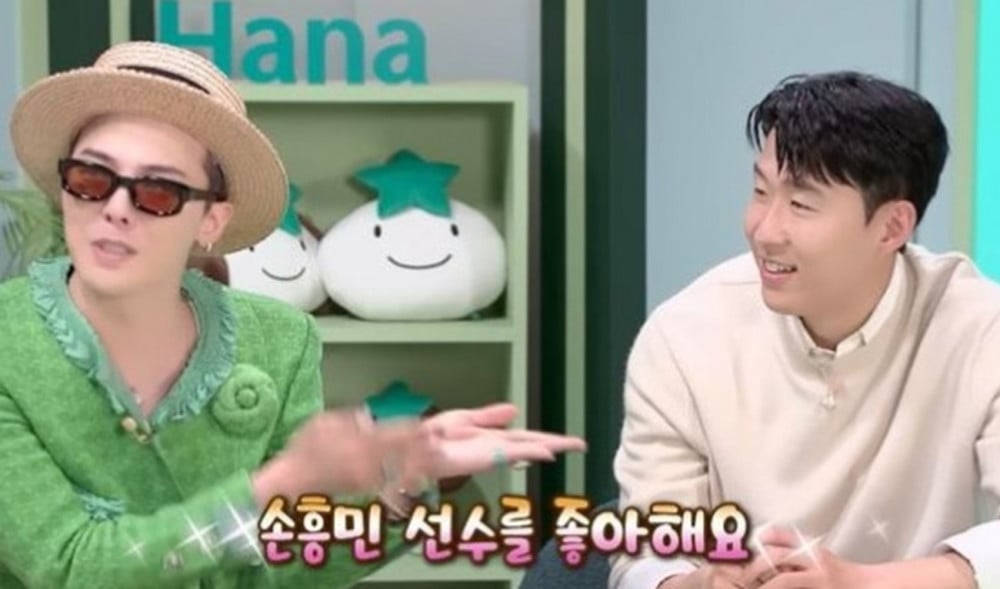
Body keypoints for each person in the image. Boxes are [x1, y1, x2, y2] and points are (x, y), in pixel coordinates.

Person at [0, 41, 586, 589]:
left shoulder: (280, 339)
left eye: (158, 191)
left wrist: (402, 488)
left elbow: (288, 563)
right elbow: (70, 567)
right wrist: (277, 484)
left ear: (211, 221)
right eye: (92, 178)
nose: (116, 209)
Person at [611, 71, 999, 589]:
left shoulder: (981, 330)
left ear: (892, 227)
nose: (764, 230)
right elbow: (644, 557)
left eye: (801, 204)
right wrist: (697, 582)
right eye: (760, 191)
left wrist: (859, 583)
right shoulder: (682, 338)